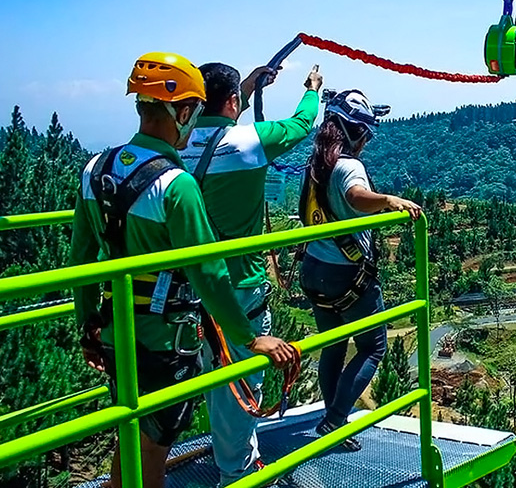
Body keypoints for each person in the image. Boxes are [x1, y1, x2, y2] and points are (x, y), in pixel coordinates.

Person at [71, 52, 298, 488]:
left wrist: (88, 327)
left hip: (116, 329)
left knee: (132, 432)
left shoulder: (94, 169)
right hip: (163, 336)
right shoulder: (175, 185)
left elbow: (82, 258)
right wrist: (252, 337)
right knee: (154, 446)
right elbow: (209, 273)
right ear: (183, 111)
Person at [179, 61, 322, 486]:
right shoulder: (249, 141)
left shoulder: (178, 142)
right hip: (237, 285)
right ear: (234, 103)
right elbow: (301, 123)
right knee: (238, 383)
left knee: (197, 374)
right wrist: (312, 87)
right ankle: (238, 473)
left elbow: (215, 132)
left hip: (184, 287)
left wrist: (245, 87)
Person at [298, 89, 422, 448]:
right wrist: (388, 200)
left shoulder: (316, 163)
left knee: (334, 346)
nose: (366, 141)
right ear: (355, 132)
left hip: (314, 267)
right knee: (373, 348)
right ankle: (334, 422)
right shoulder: (349, 165)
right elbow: (355, 197)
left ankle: (330, 421)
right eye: (365, 133)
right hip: (347, 274)